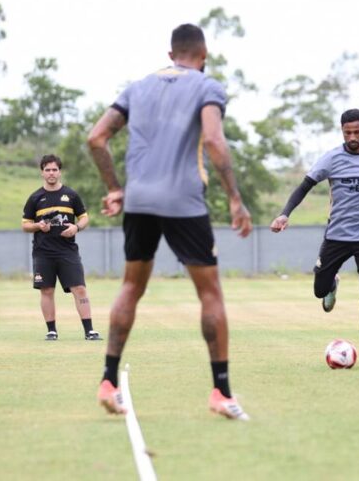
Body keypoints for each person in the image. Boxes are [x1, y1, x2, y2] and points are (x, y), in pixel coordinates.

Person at [87, 24, 253, 420]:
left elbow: (96, 138)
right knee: (210, 294)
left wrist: (115, 188)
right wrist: (235, 197)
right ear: (204, 54)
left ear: (170, 54)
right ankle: (221, 391)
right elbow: (213, 140)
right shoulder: (206, 86)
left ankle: (108, 381)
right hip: (183, 200)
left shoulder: (138, 87)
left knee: (131, 287)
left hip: (139, 200)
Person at [270, 108, 359, 369]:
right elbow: (305, 186)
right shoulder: (331, 158)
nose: (353, 137)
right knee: (319, 291)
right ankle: (332, 284)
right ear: (342, 131)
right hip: (336, 236)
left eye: (357, 132)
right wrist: (284, 214)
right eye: (348, 133)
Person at [21, 154, 101, 341]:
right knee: (47, 290)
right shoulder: (35, 198)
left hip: (67, 251)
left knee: (79, 289)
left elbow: (84, 218)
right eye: (47, 170)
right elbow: (25, 225)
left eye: (54, 170)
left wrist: (76, 228)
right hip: (43, 252)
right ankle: (51, 331)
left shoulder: (71, 195)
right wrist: (38, 226)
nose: (51, 173)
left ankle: (89, 331)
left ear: (59, 172)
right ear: (42, 172)